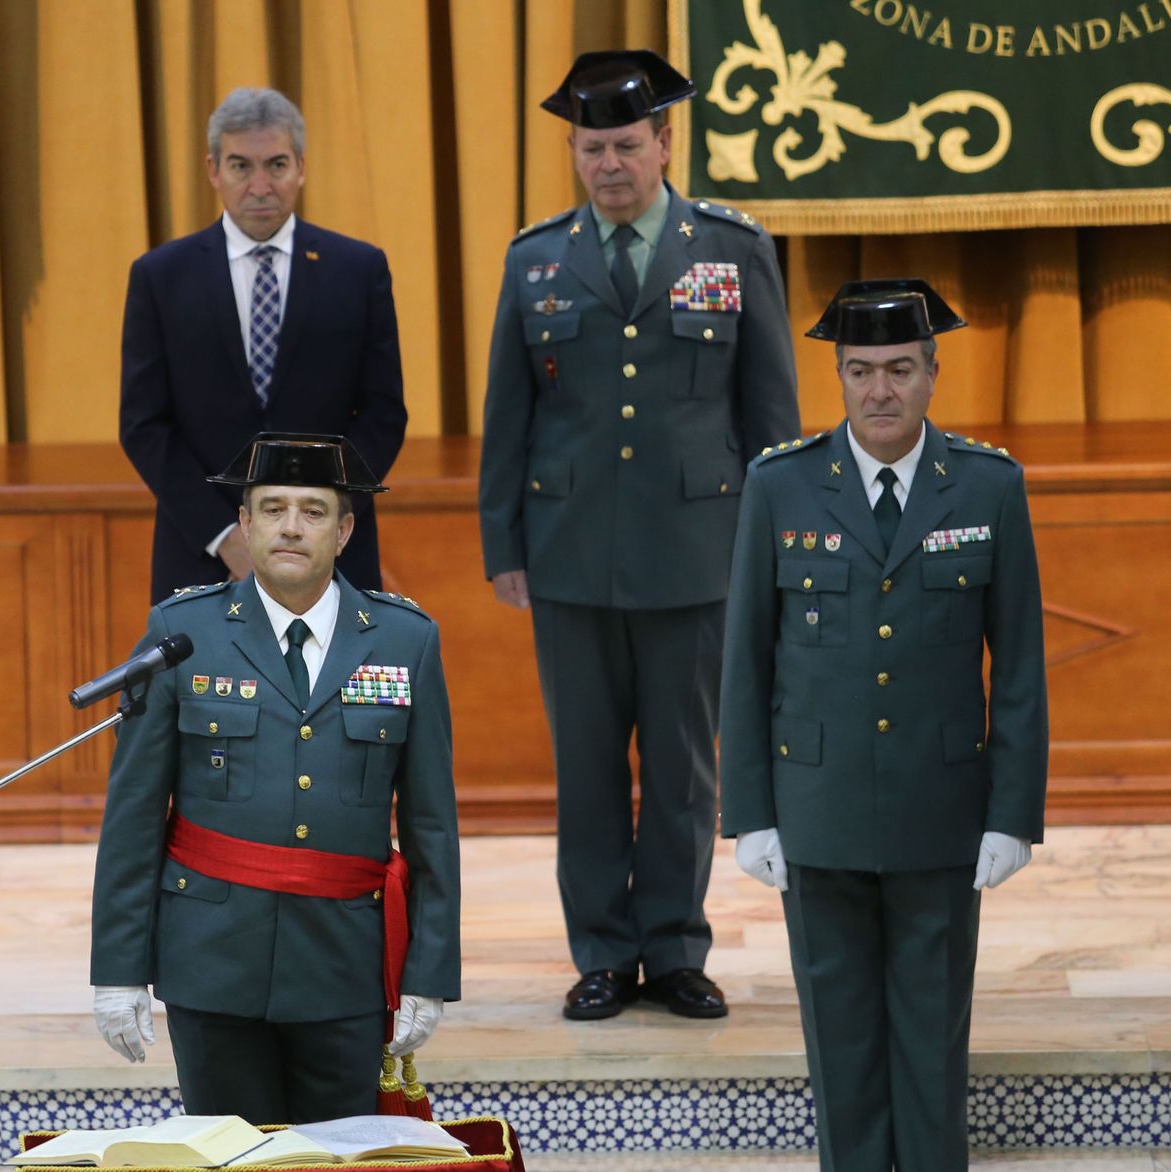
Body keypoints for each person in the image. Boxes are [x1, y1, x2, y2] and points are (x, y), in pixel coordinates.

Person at [477, 50, 800, 1021]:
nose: (607, 164)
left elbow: (770, 418)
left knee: (682, 765)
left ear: (664, 143)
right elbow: (507, 417)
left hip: (699, 552)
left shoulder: (732, 249)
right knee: (584, 766)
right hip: (569, 555)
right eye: (590, 147)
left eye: (624, 145)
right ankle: (601, 954)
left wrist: (771, 550)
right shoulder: (535, 257)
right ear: (572, 152)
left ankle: (675, 945)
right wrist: (504, 546)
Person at [718, 279, 1048, 1170]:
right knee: (842, 1045)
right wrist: (749, 811)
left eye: (900, 368)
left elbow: (1016, 667)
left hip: (939, 812)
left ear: (933, 373)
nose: (880, 391)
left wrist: (1012, 813)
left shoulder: (987, 487)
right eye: (860, 370)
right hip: (817, 809)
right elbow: (745, 659)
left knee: (932, 1039)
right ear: (839, 375)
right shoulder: (780, 486)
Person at [89, 433, 460, 1124]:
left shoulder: (406, 640)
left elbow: (431, 822)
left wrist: (429, 973)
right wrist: (117, 967)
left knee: (340, 1167)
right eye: (274, 508)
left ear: (345, 530)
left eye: (314, 511)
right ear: (248, 524)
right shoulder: (182, 632)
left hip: (344, 965)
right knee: (229, 1161)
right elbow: (135, 813)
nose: (292, 526)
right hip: (211, 960)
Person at [119, 87, 407, 605]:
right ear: (213, 170)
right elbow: (144, 424)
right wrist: (228, 537)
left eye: (276, 165)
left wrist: (323, 518)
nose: (259, 186)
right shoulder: (161, 277)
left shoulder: (358, 270)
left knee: (335, 688)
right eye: (240, 166)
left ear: (301, 166)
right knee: (205, 689)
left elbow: (384, 413)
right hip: (202, 556)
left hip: (334, 555)